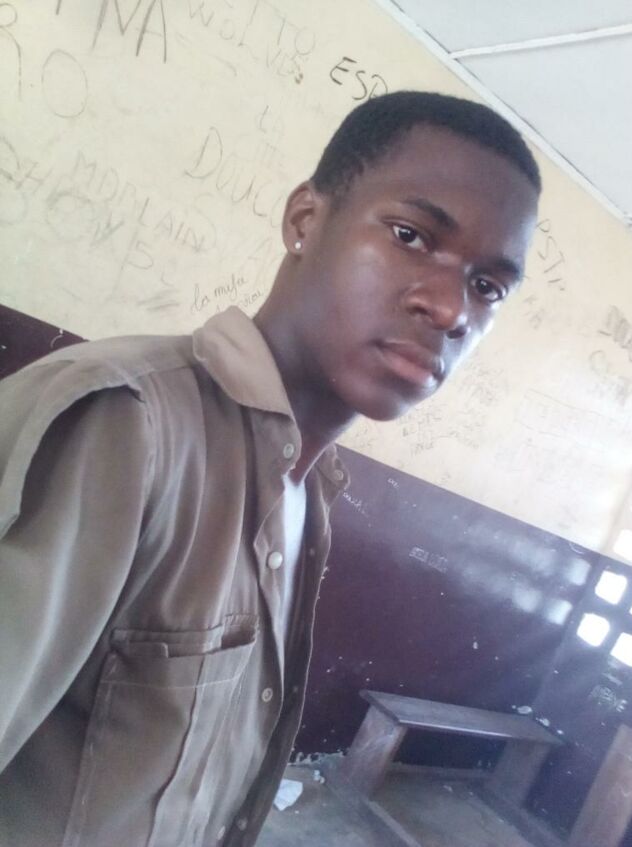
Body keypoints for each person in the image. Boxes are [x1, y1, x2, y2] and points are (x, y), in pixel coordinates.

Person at [0, 91, 540, 846]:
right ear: (305, 220)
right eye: (411, 235)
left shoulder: (308, 491)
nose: (452, 309)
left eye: (487, 287)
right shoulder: (121, 424)